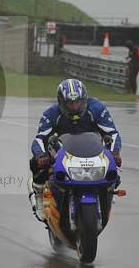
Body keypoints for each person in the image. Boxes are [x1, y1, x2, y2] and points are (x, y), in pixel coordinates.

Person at [28, 79, 122, 217]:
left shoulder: (96, 108)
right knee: (36, 164)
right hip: (63, 151)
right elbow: (39, 139)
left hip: (92, 150)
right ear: (61, 102)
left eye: (78, 102)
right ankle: (40, 195)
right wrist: (40, 155)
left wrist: (114, 152)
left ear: (84, 99)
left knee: (114, 174)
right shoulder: (51, 113)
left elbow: (112, 133)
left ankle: (107, 195)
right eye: (70, 103)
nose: (74, 106)